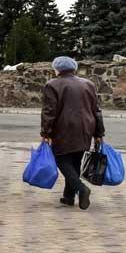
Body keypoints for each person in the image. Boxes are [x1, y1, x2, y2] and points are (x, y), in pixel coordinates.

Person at [40, 56, 105, 210]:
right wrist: (99, 133)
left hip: (63, 128)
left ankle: (81, 188)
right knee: (75, 160)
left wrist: (46, 132)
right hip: (86, 128)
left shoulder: (52, 84)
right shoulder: (88, 84)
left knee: (61, 160)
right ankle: (68, 197)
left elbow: (49, 111)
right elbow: (96, 110)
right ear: (74, 68)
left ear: (57, 69)